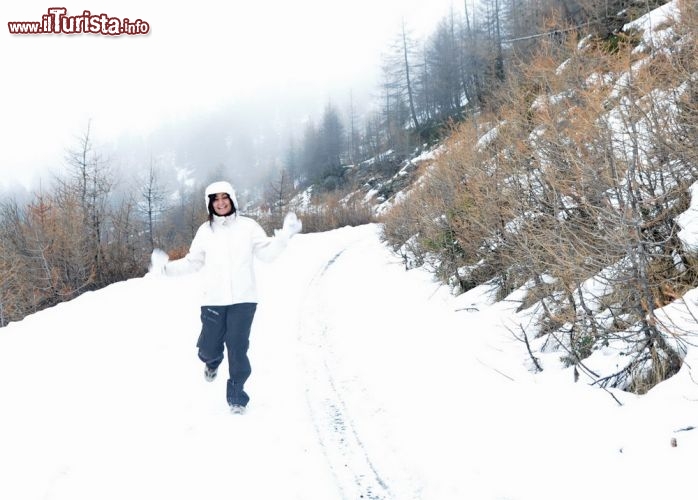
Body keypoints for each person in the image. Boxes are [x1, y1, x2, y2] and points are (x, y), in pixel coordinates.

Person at [148, 180, 302, 414]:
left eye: (224, 198)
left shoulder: (249, 226)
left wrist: (283, 239)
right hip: (213, 300)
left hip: (244, 299)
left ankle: (237, 397)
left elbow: (266, 255)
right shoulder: (205, 231)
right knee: (208, 348)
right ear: (210, 204)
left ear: (232, 199)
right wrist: (165, 269)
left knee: (238, 348)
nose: (220, 203)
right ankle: (212, 362)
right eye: (215, 199)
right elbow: (193, 262)